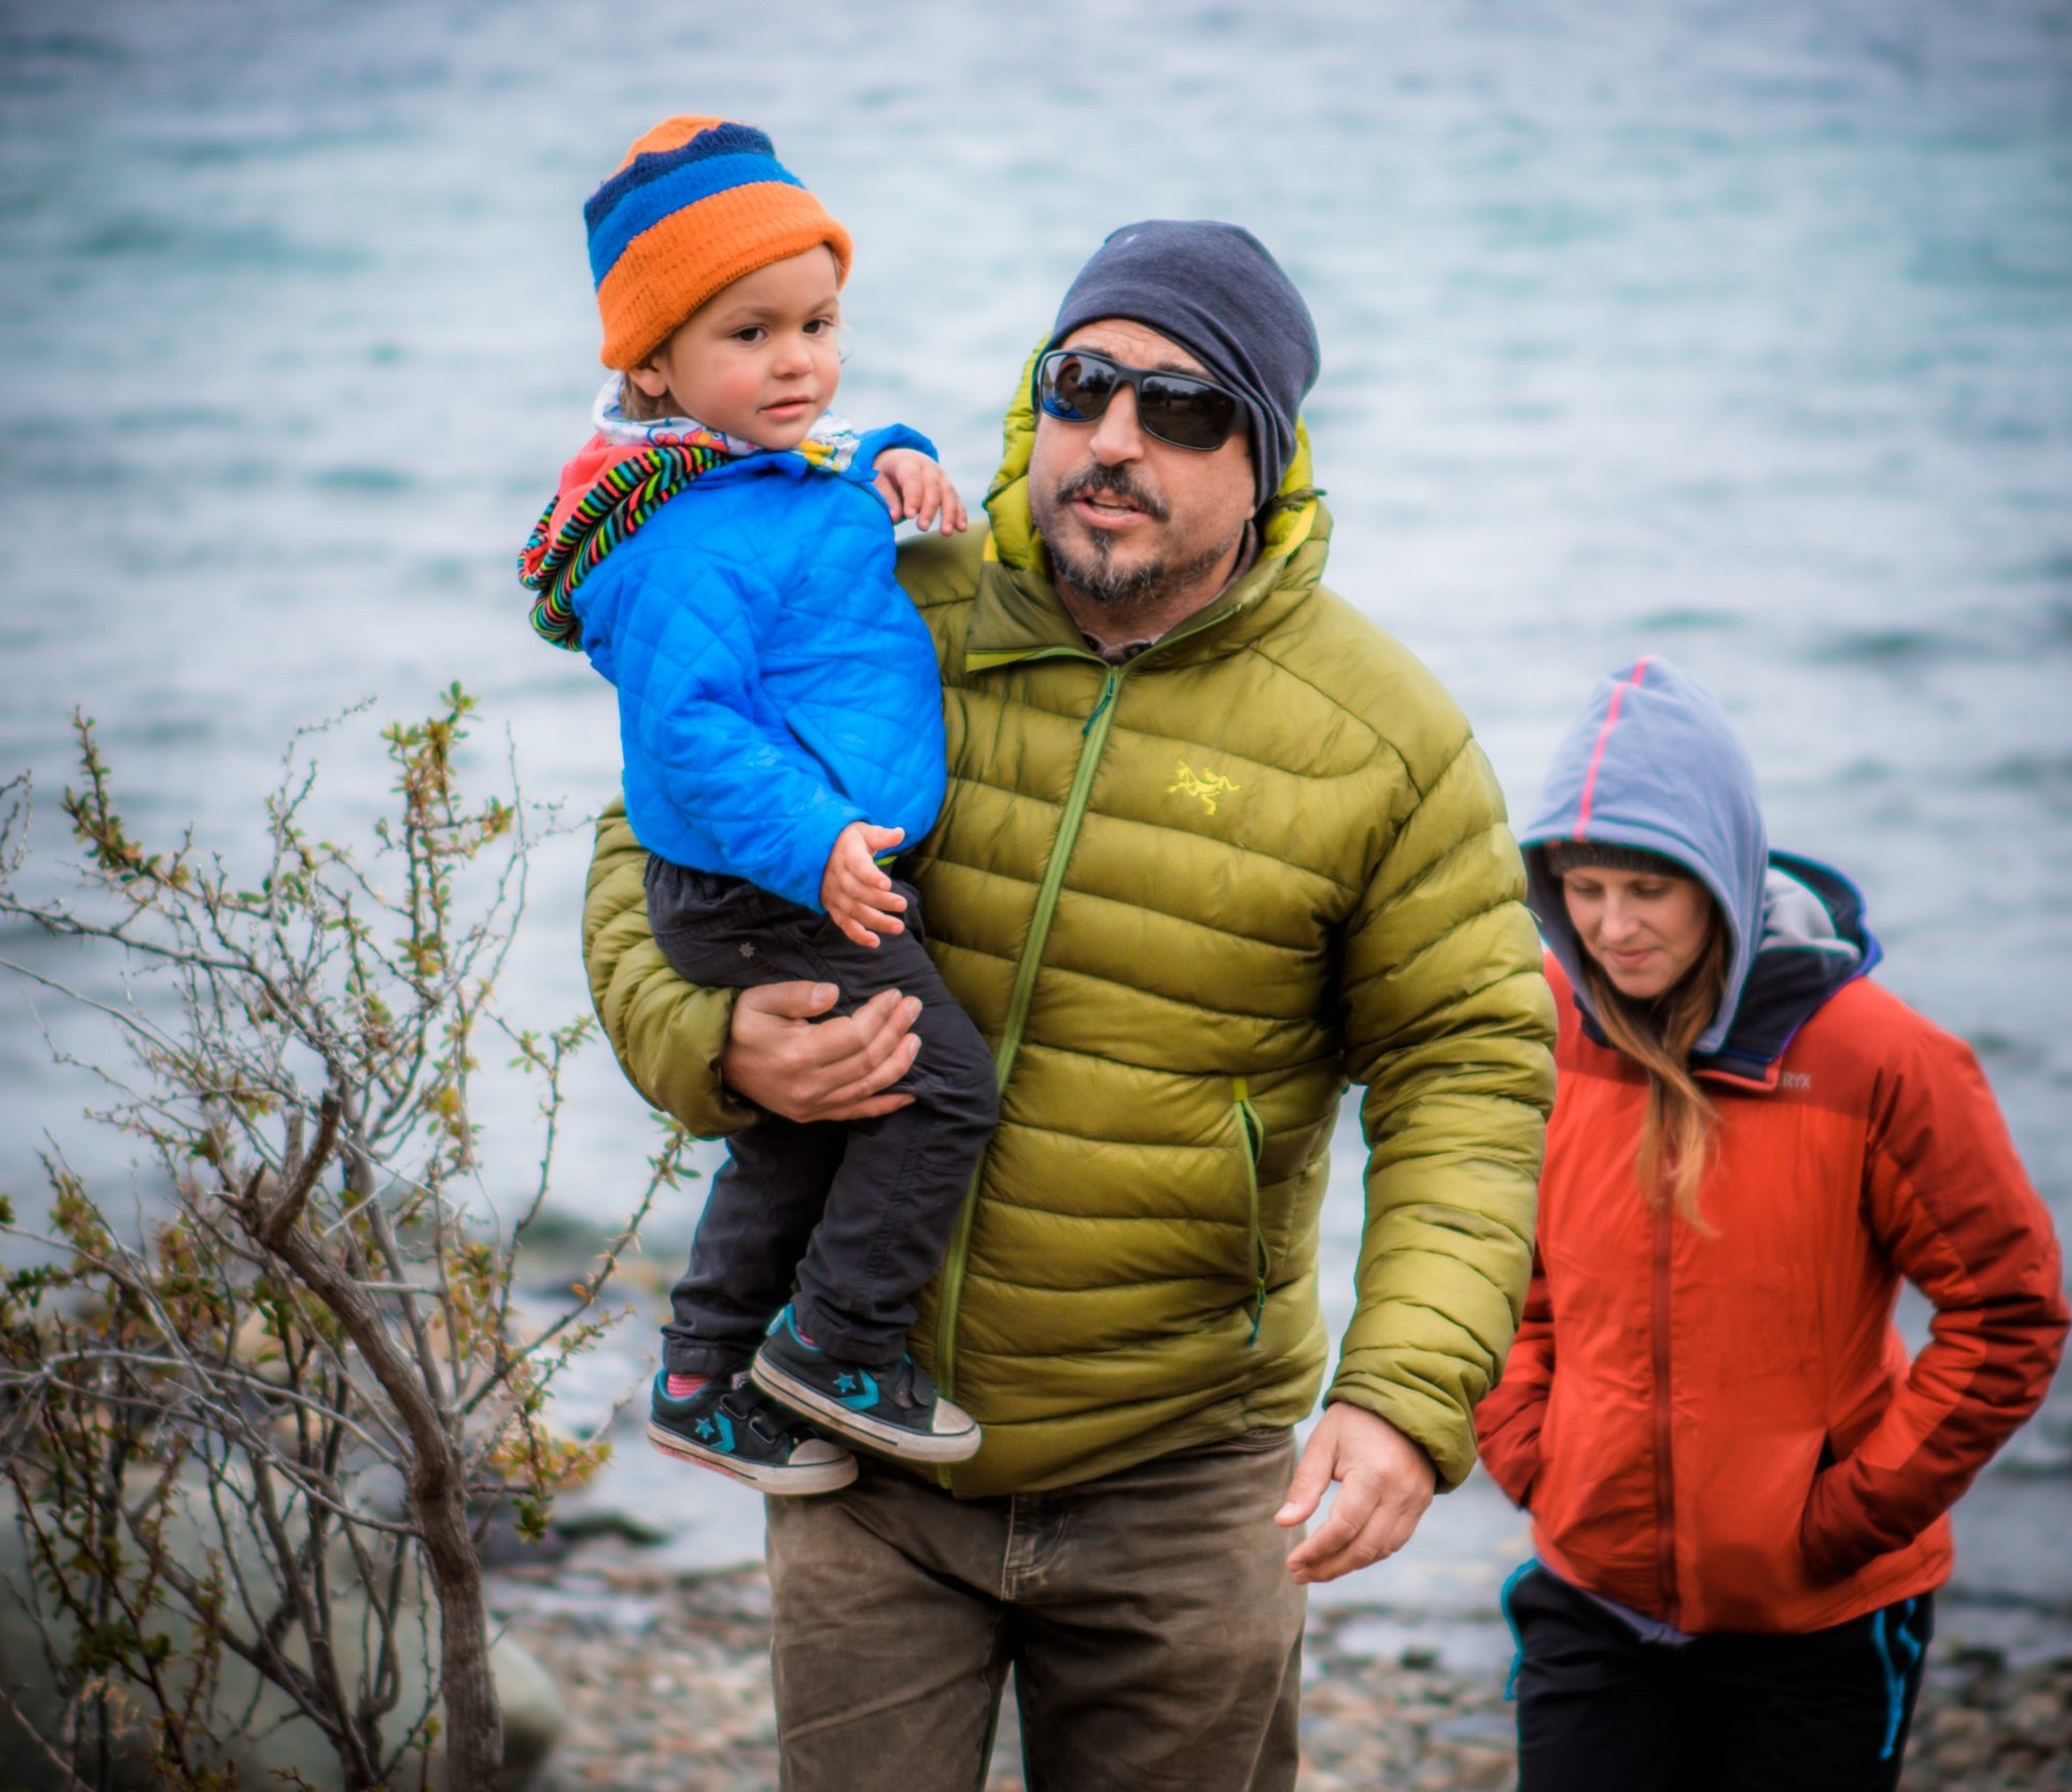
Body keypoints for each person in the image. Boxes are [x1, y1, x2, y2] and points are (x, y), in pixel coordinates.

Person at [580, 219, 1557, 1788]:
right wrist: (713, 1042)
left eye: (1182, 411)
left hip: (1184, 1485)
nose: (1115, 440)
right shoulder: (883, 588)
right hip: (858, 1456)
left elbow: (1472, 1074)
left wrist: (1400, 1394)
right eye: (1085, 384)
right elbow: (647, 835)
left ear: (1270, 457)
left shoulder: (1382, 736)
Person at [1474, 656, 2071, 1791]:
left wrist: (1848, 1515)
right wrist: (1530, 1447)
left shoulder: (1878, 1058)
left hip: (1820, 1621)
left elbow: (2008, 1313)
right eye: (1582, 889)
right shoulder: (1547, 1026)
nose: (1610, 928)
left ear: (1719, 872)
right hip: (1589, 1594)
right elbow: (1506, 1259)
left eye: (1647, 889)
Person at [521, 116, 997, 1494]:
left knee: (803, 1130)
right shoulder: (686, 536)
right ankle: (839, 1348)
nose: (796, 362)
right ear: (657, 364)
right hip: (768, 876)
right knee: (942, 1095)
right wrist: (818, 843)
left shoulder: (761, 465)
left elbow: (828, 448)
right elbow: (691, 730)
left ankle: (699, 1373)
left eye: (819, 322)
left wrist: (899, 451)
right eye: (751, 335)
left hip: (776, 867)